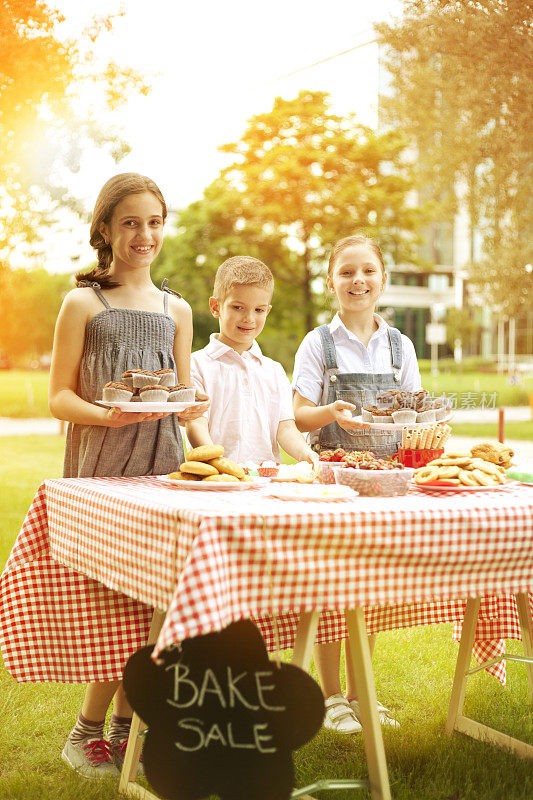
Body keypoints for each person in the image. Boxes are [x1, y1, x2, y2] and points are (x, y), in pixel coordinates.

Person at [48, 173, 208, 777]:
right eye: (131, 223)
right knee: (110, 604)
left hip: (164, 468)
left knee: (155, 607)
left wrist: (200, 427)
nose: (145, 234)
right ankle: (85, 731)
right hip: (101, 469)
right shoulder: (84, 302)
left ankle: (124, 729)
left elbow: (181, 395)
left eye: (154, 222)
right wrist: (106, 417)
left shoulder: (177, 310)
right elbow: (59, 397)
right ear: (106, 231)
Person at [292, 234, 422, 734]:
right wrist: (331, 413)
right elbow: (300, 417)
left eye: (368, 270)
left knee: (366, 590)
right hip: (333, 481)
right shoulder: (317, 344)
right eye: (346, 272)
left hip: (385, 482)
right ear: (332, 281)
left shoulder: (400, 345)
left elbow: (412, 414)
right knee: (328, 586)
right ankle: (329, 697)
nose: (358, 280)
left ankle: (360, 692)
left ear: (382, 279)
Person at [186, 255, 317, 467]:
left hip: (265, 483)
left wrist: (306, 454)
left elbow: (284, 429)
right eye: (238, 307)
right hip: (214, 480)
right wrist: (219, 465)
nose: (249, 318)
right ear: (216, 306)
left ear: (267, 310)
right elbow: (196, 424)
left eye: (259, 309)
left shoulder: (273, 371)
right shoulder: (196, 365)